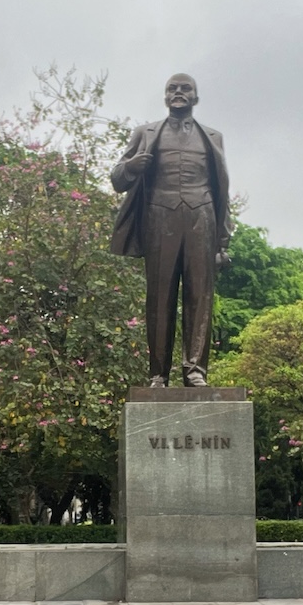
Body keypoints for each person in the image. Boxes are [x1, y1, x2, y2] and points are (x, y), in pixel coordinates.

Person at [110, 73, 231, 387]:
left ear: (195, 96)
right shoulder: (145, 134)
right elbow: (117, 180)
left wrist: (222, 241)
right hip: (159, 218)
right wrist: (131, 167)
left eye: (185, 88)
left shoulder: (213, 137)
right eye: (172, 89)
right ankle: (158, 374)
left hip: (202, 217)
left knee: (199, 296)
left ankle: (195, 371)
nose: (178, 93)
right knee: (159, 297)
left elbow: (222, 191)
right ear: (165, 97)